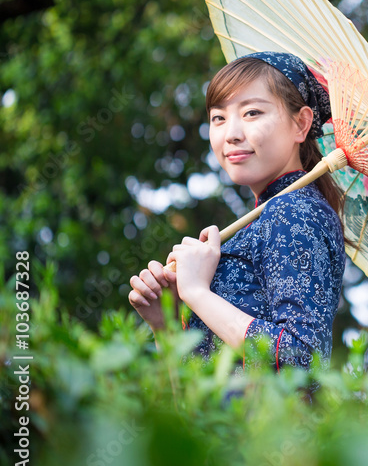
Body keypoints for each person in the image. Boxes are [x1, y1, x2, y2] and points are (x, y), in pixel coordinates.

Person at [127, 51, 346, 374]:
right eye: (218, 118)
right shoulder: (268, 217)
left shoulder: (292, 212)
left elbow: (301, 358)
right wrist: (167, 325)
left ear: (301, 124)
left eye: (252, 112)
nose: (231, 133)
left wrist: (197, 292)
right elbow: (196, 399)